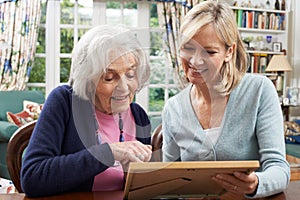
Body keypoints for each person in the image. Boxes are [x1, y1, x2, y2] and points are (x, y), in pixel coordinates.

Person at [161, 1, 290, 198]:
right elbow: (168, 181)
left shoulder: (259, 90)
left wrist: (256, 184)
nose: (195, 61)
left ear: (229, 52)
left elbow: (280, 169)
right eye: (188, 48)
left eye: (210, 51)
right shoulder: (173, 108)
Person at [21, 25, 152, 197]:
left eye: (130, 75)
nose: (124, 88)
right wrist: (108, 153)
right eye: (109, 78)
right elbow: (32, 177)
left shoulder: (138, 115)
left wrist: (136, 174)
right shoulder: (64, 102)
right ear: (87, 78)